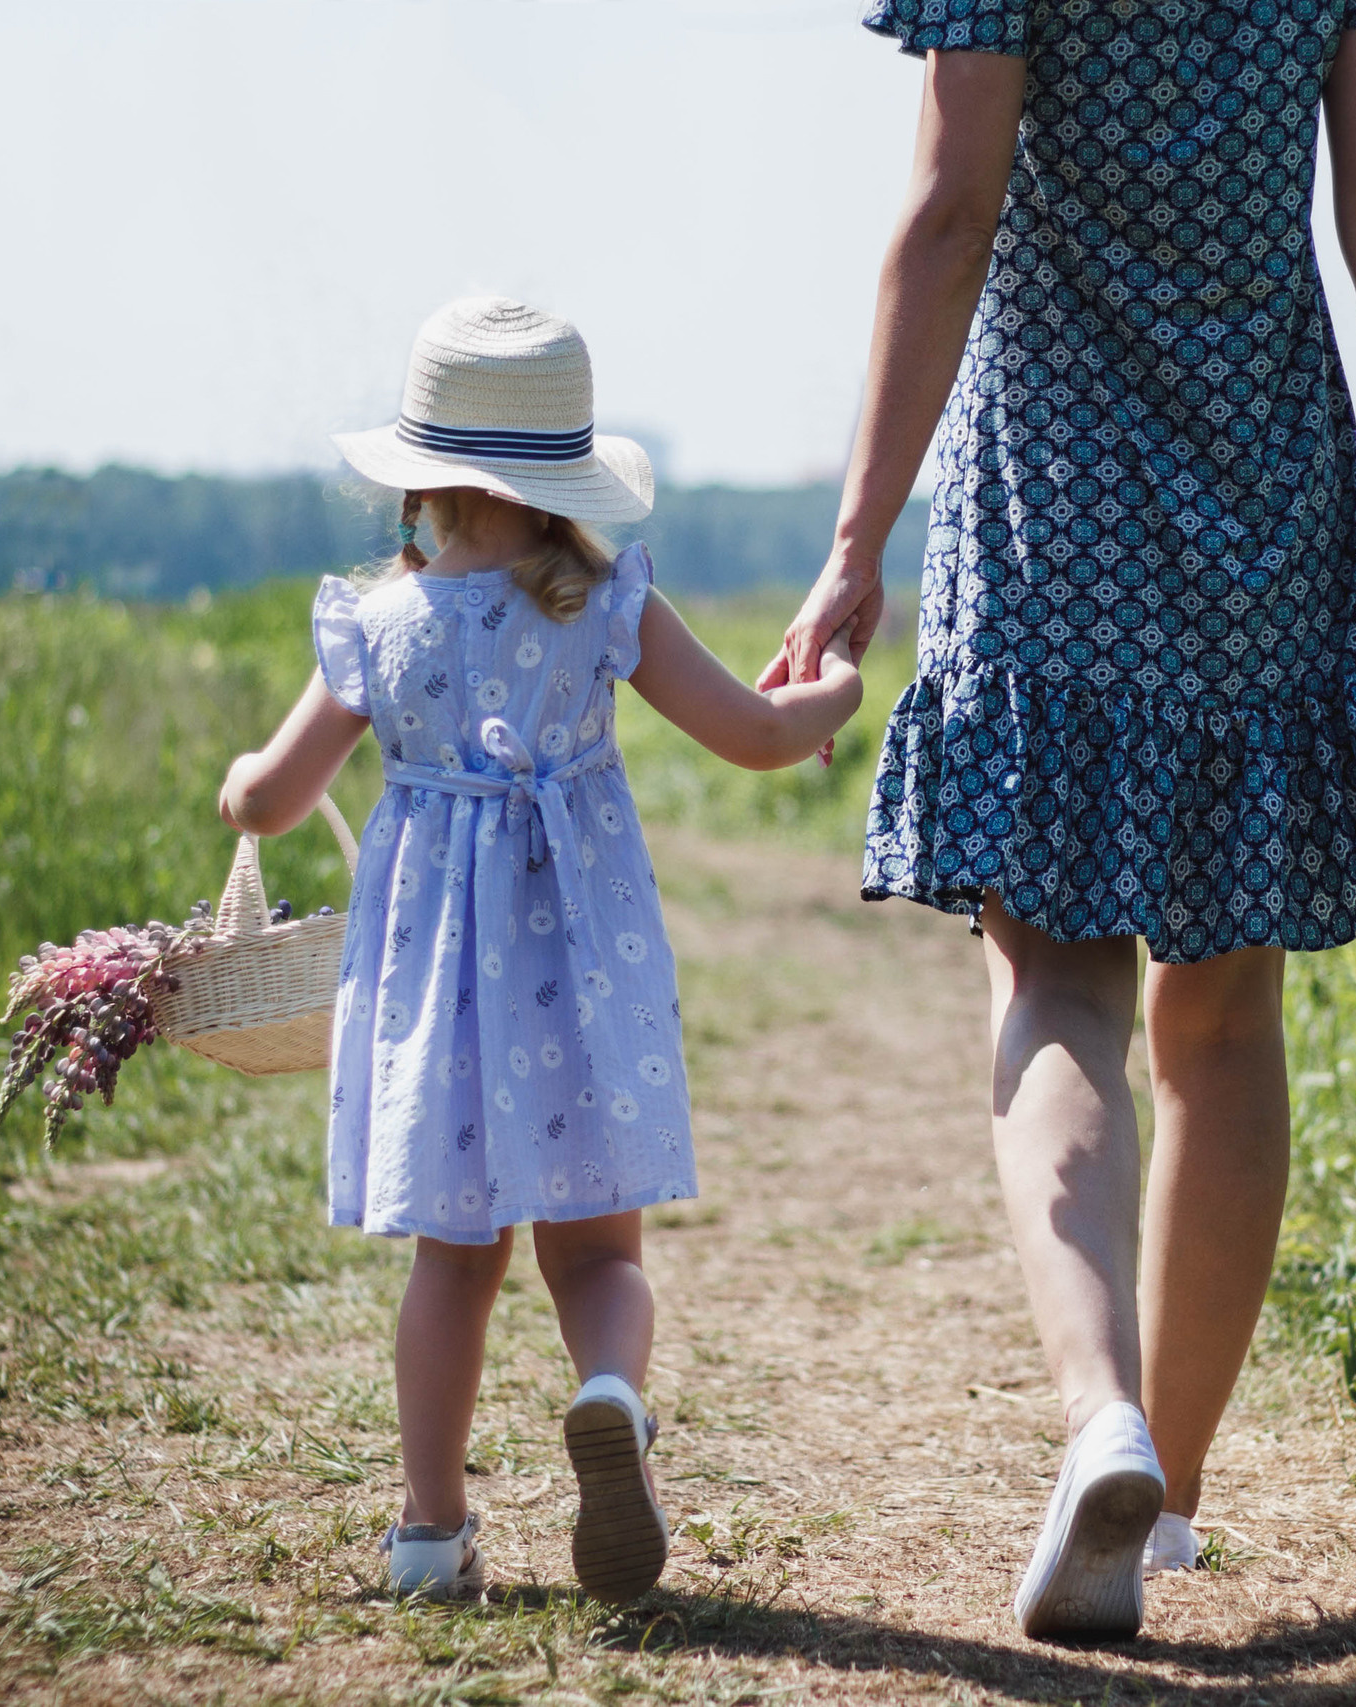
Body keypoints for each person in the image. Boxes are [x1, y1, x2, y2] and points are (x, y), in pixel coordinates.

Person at [764, 0, 1356, 1641]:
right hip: (1267, 490)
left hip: (1054, 500)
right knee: (1221, 1018)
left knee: (1055, 980)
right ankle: (1173, 1508)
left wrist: (860, 538)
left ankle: (1107, 1423)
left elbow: (953, 211)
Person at [220, 297, 863, 1605]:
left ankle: (429, 1533)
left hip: (441, 1006)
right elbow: (752, 731)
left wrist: (238, 787)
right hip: (582, 985)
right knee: (603, 1258)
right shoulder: (606, 605)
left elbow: (272, 801)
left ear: (421, 484)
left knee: (452, 1266)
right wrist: (839, 689)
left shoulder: (379, 627)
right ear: (562, 483)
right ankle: (612, 1397)